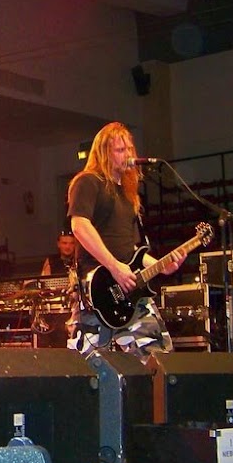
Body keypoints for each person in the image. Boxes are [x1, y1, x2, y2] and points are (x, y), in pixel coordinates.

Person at [66, 121, 184, 361]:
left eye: (129, 148)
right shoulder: (88, 182)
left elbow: (133, 250)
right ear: (104, 153)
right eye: (120, 150)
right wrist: (114, 267)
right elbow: (79, 226)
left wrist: (161, 265)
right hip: (96, 286)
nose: (128, 155)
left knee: (158, 360)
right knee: (87, 366)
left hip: (129, 289)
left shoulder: (129, 195)